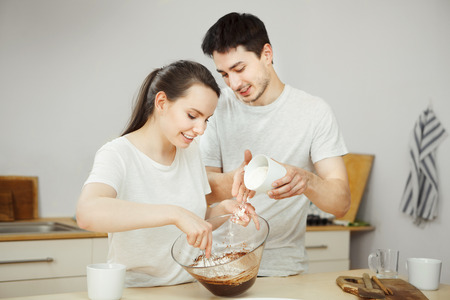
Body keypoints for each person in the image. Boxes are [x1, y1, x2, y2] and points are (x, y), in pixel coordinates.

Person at [76, 60, 256, 287]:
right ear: (161, 102)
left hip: (191, 289)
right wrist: (174, 213)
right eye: (192, 115)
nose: (201, 130)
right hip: (140, 291)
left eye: (206, 119)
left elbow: (193, 223)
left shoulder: (189, 152)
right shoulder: (117, 154)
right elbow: (87, 212)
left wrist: (223, 210)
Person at [200, 13, 351, 276]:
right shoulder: (217, 107)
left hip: (285, 269)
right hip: (222, 266)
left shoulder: (314, 112)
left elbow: (341, 203)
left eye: (239, 69)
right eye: (224, 74)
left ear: (266, 54)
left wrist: (305, 180)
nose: (234, 84)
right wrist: (238, 179)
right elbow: (201, 191)